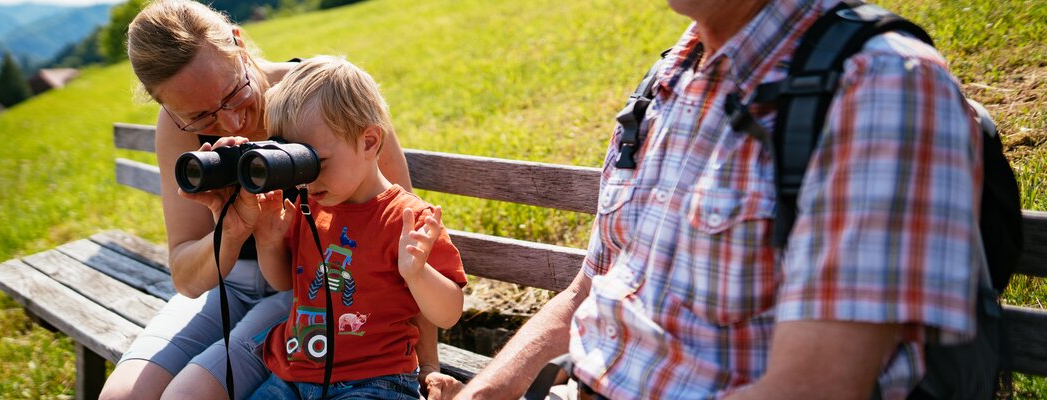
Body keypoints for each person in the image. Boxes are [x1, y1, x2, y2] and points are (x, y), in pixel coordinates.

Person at [451, 0, 985, 399]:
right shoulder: (667, 81)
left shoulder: (880, 84)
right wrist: (485, 390)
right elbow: (588, 290)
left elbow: (816, 386)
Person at [98, 1, 460, 399]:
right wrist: (231, 231)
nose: (233, 123)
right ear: (166, 105)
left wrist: (427, 367)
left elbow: (401, 227)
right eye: (201, 117)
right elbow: (186, 277)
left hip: (298, 291)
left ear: (238, 43)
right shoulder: (175, 125)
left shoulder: (321, 97)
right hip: (228, 287)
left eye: (234, 93)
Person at [245, 55, 468, 399]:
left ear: (368, 142)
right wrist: (269, 242)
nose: (305, 179)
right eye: (297, 164)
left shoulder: (407, 218)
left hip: (375, 381)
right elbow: (285, 283)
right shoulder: (310, 208)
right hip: (291, 376)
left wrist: (417, 274)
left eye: (315, 162)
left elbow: (450, 313)